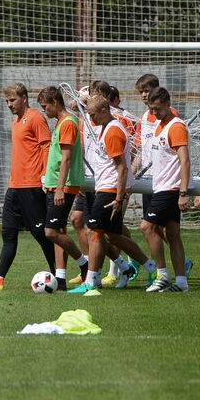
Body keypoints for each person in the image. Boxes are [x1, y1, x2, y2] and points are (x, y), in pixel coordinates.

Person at [0, 83, 60, 291]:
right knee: (8, 232)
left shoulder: (36, 117)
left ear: (24, 98)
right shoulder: (16, 122)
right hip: (15, 186)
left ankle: (59, 276)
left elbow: (46, 146)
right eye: (7, 101)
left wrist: (45, 176)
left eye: (12, 100)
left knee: (42, 234)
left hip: (32, 186)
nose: (9, 105)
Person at [72, 95, 150, 293]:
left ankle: (92, 281)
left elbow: (122, 168)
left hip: (110, 189)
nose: (91, 119)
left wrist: (118, 197)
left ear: (105, 111)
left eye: (93, 115)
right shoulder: (105, 128)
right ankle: (148, 267)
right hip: (105, 187)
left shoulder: (113, 131)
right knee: (113, 236)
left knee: (94, 232)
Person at [37, 86, 90, 291]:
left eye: (45, 107)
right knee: (58, 230)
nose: (44, 111)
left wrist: (59, 188)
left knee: (50, 232)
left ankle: (84, 264)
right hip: (54, 185)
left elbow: (67, 159)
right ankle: (60, 279)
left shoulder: (68, 123)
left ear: (55, 102)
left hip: (64, 187)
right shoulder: (61, 122)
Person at [141, 86, 192, 293]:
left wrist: (183, 192)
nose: (154, 113)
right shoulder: (159, 125)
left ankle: (161, 275)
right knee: (172, 234)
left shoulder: (176, 126)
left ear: (168, 104)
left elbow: (185, 161)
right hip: (160, 186)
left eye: (158, 109)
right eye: (152, 109)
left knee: (146, 227)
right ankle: (181, 282)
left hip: (170, 189)